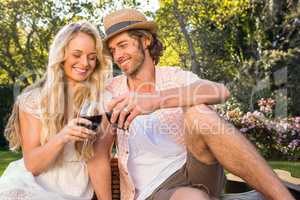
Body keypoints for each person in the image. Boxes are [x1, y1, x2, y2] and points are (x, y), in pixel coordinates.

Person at [102, 8, 295, 200]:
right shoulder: (111, 91)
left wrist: (156, 100)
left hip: (196, 169)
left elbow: (220, 91)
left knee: (198, 112)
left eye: (123, 45)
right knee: (193, 198)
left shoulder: (174, 77)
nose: (118, 55)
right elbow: (98, 152)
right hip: (154, 192)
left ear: (145, 40)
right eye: (113, 50)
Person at [0, 21, 114, 200]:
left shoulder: (101, 103)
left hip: (74, 193)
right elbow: (32, 166)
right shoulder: (33, 101)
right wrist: (63, 136)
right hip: (30, 186)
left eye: (92, 57)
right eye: (77, 54)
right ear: (61, 55)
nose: (85, 63)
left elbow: (98, 160)